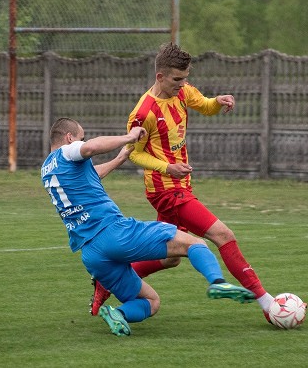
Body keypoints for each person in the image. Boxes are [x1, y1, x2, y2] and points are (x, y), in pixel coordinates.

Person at [89, 42, 277, 323]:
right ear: (160, 77)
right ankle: (268, 302)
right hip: (166, 191)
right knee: (222, 235)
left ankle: (108, 281)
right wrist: (168, 168)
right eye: (177, 79)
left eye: (185, 77)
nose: (183, 84)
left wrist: (218, 102)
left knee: (171, 257)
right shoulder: (143, 112)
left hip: (180, 186)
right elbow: (135, 154)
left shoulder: (182, 91)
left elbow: (203, 105)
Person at [41, 117, 256, 337]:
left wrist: (121, 157)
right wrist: (129, 136)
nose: (82, 141)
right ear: (69, 138)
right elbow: (91, 147)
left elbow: (91, 176)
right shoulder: (68, 152)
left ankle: (117, 314)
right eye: (80, 137)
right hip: (114, 233)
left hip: (91, 254)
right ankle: (217, 282)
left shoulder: (47, 169)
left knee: (151, 301)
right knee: (195, 243)